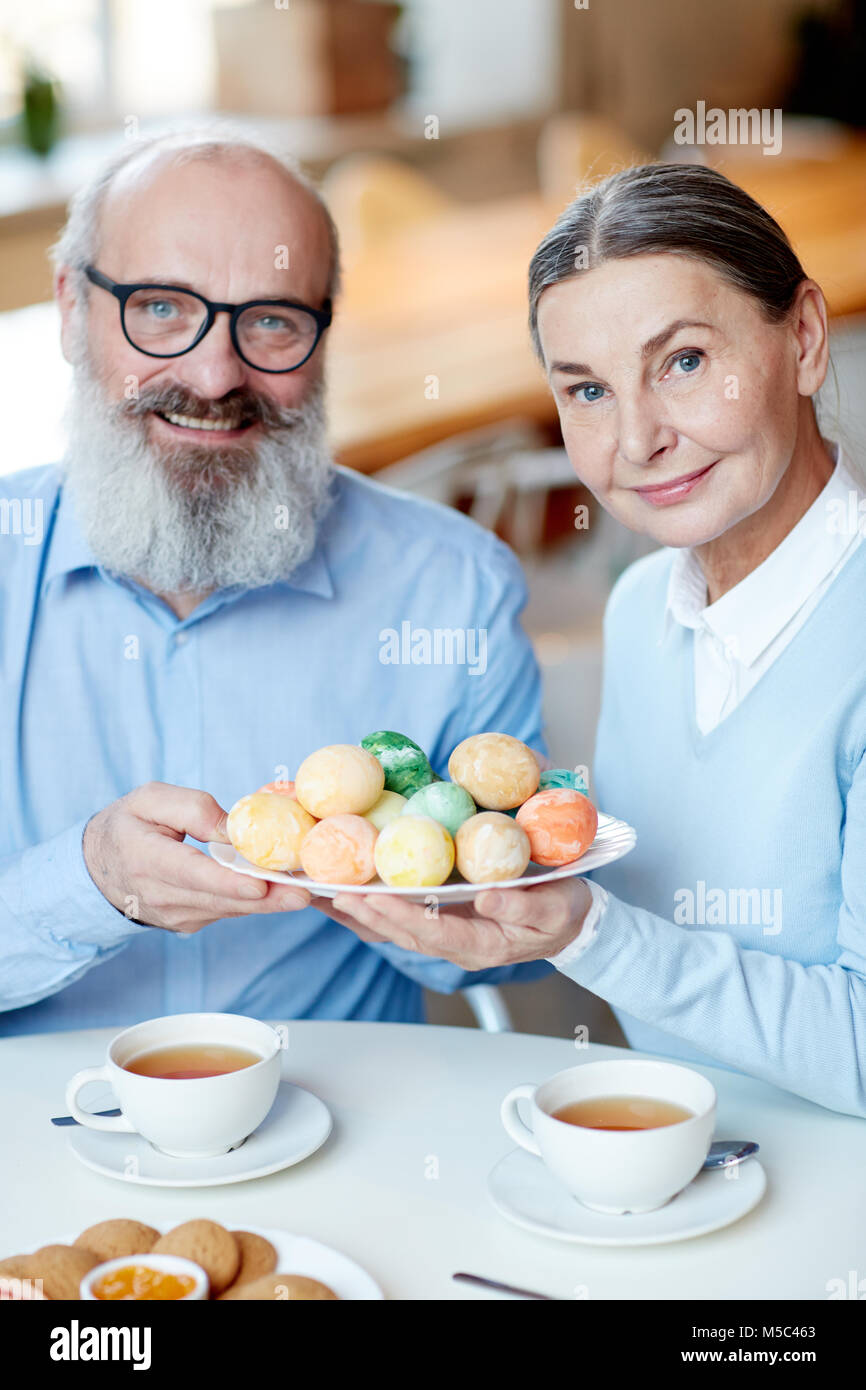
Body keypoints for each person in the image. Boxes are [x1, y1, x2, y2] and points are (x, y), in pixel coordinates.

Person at [325, 163, 866, 1119]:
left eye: (685, 361)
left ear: (806, 339)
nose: (636, 439)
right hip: (665, 1165)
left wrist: (588, 932)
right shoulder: (643, 606)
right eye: (586, 390)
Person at [0, 127, 552, 1034]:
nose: (216, 375)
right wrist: (89, 880)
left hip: (344, 1136)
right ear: (70, 309)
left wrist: (457, 905)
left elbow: (499, 954)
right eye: (163, 309)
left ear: (324, 338)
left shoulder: (455, 590)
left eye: (271, 321)